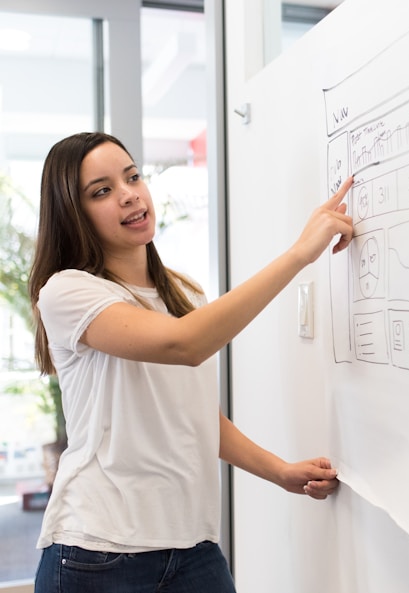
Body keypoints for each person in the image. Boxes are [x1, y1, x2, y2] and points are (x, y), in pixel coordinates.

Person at [29, 131, 354, 593]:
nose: (128, 195)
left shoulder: (183, 295)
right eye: (101, 191)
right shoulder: (68, 291)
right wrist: (301, 254)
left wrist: (279, 471)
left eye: (132, 177)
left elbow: (193, 417)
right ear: (73, 214)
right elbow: (185, 345)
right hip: (97, 552)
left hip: (193, 548)